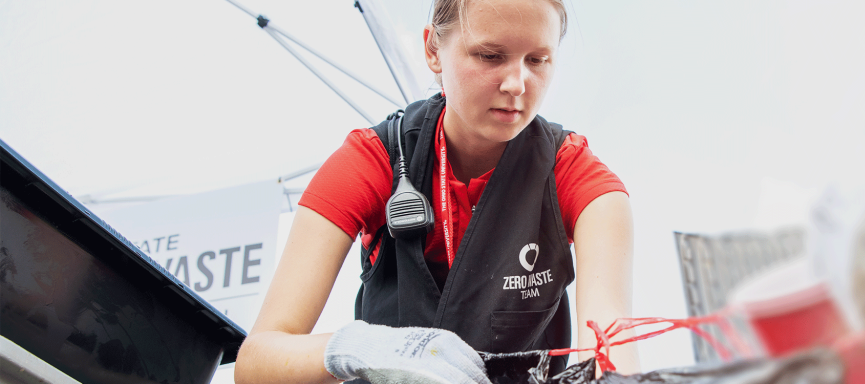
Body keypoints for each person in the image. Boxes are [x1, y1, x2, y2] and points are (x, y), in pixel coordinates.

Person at [235, 0, 638, 382]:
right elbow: (256, 363)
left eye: (538, 60)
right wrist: (359, 347)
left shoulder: (581, 181)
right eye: (489, 55)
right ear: (432, 49)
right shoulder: (372, 160)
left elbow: (609, 356)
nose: (517, 84)